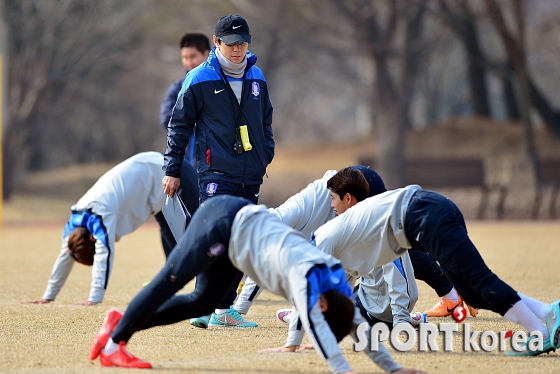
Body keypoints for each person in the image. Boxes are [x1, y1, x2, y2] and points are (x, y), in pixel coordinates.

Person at [88, 195, 425, 373]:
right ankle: (115, 345)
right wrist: (342, 370)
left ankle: (122, 320)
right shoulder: (304, 278)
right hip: (222, 223)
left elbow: (354, 323)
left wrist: (393, 369)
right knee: (169, 281)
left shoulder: (334, 283)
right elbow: (316, 324)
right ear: (321, 305)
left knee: (205, 302)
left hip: (237, 235)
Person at [312, 184, 560, 356]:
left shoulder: (323, 240)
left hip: (426, 216)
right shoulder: (339, 238)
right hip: (427, 214)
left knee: (481, 280)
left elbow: (324, 284)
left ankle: (538, 333)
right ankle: (548, 312)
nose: (332, 205)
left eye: (334, 198)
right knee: (472, 294)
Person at [162, 14, 274, 328]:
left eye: (242, 43)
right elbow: (179, 125)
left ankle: (215, 308)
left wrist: (266, 154)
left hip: (250, 173)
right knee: (214, 237)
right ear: (217, 42)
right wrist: (172, 169)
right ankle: (210, 305)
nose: (237, 49)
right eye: (230, 43)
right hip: (215, 172)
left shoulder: (257, 77)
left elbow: (266, 121)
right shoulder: (199, 78)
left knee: (240, 239)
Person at [234, 167, 419, 335]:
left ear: (347, 198)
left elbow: (395, 271)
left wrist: (400, 318)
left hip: (376, 311)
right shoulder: (354, 221)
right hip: (375, 301)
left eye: (333, 198)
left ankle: (307, 314)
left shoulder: (372, 225)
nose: (332, 205)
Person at [21, 152, 198, 305]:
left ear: (92, 238)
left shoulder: (99, 212)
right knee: (173, 240)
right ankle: (173, 281)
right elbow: (65, 254)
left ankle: (213, 291)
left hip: (171, 172)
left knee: (196, 234)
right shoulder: (77, 219)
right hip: (158, 187)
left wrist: (94, 297)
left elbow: (104, 252)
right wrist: (49, 295)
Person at [159, 33, 210, 166]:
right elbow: (166, 119)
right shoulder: (177, 88)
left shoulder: (219, 85)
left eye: (193, 56)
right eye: (185, 57)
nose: (189, 63)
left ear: (207, 54)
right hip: (184, 162)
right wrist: (192, 122)